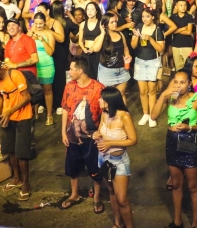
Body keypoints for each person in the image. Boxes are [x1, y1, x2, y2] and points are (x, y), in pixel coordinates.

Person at [151, 70, 197, 228]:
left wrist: (189, 127)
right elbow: (153, 116)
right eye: (175, 81)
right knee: (176, 184)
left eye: (182, 82)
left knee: (192, 186)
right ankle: (177, 221)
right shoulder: (169, 97)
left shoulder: (196, 100)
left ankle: (195, 223)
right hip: (172, 142)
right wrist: (163, 95)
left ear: (189, 84)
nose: (178, 85)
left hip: (190, 142)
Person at [0, 58, 35, 201]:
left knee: (22, 153)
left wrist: (9, 111)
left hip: (23, 117)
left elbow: (27, 97)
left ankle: (26, 184)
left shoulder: (15, 75)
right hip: (7, 117)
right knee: (10, 150)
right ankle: (17, 179)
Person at [59, 56, 105, 212]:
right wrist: (63, 132)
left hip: (92, 139)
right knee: (73, 168)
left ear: (80, 71)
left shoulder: (98, 88)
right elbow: (65, 109)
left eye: (71, 69)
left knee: (95, 168)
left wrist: (100, 131)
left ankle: (97, 197)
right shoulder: (69, 86)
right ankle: (74, 194)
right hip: (72, 137)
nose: (69, 71)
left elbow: (104, 113)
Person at [93, 86, 138, 228]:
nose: (99, 100)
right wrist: (97, 135)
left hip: (119, 162)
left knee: (122, 199)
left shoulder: (124, 116)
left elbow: (133, 140)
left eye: (102, 98)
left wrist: (110, 143)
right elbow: (100, 130)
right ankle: (118, 223)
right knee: (112, 191)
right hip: (103, 159)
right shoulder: (104, 113)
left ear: (110, 101)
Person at [131, 7, 165, 127]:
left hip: (153, 61)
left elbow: (161, 49)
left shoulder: (158, 30)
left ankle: (152, 115)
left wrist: (150, 38)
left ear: (153, 17)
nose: (144, 19)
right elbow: (133, 46)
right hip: (140, 61)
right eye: (143, 16)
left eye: (147, 16)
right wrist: (136, 36)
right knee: (142, 91)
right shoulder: (139, 27)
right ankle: (145, 114)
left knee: (152, 90)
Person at [29, 12, 56, 125]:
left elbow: (50, 52)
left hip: (46, 65)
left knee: (47, 91)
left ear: (44, 22)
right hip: (33, 65)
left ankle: (49, 115)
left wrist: (42, 40)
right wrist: (31, 34)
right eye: (36, 23)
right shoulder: (30, 34)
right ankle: (35, 114)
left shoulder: (49, 34)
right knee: (34, 91)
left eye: (40, 23)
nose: (38, 26)